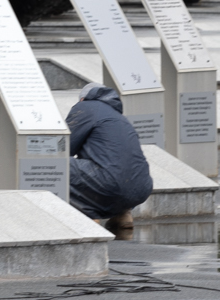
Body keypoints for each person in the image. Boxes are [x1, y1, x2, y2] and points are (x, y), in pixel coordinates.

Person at [64, 85, 154, 229]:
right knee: (115, 171)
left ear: (82, 99)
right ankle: (123, 215)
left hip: (110, 182)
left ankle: (87, 217)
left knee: (54, 165)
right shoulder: (119, 117)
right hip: (141, 188)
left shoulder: (86, 107)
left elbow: (63, 147)